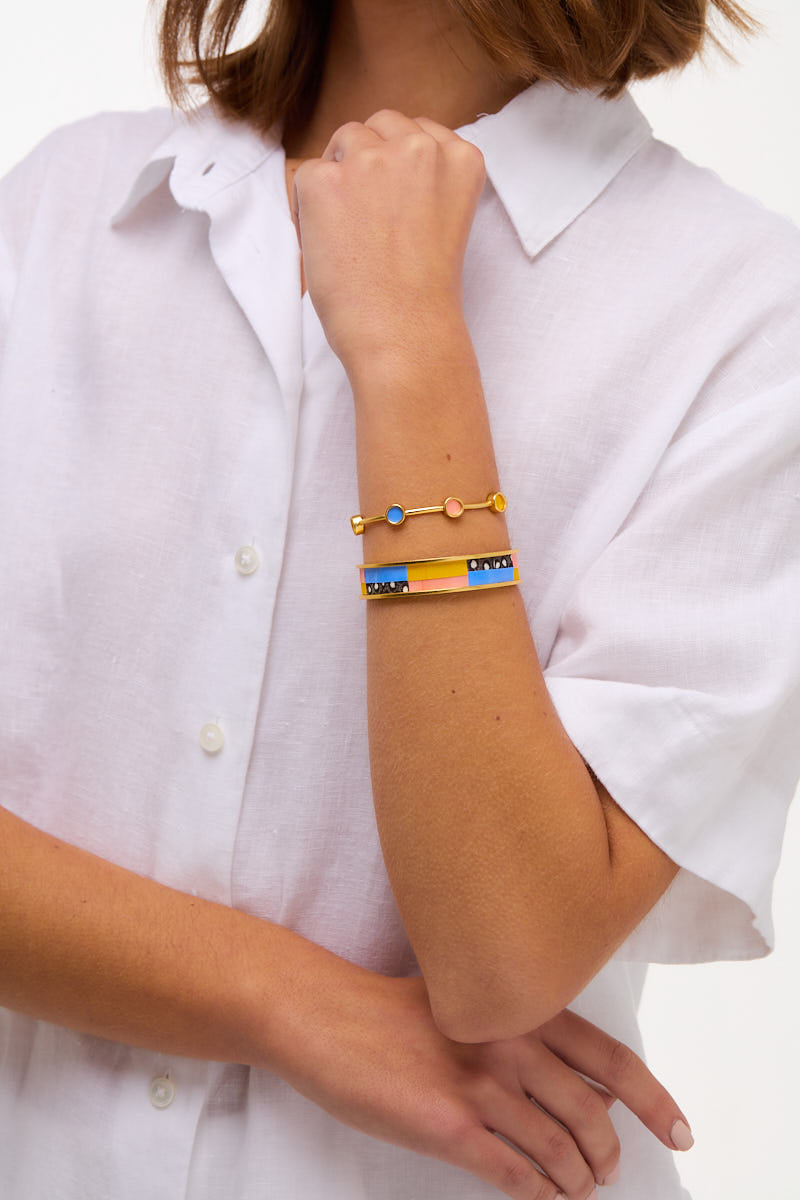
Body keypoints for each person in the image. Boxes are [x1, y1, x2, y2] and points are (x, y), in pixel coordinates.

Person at [0, 0, 797, 1197]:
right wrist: (290, 1007)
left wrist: (410, 349)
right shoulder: (62, 211)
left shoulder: (742, 314)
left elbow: (504, 954)